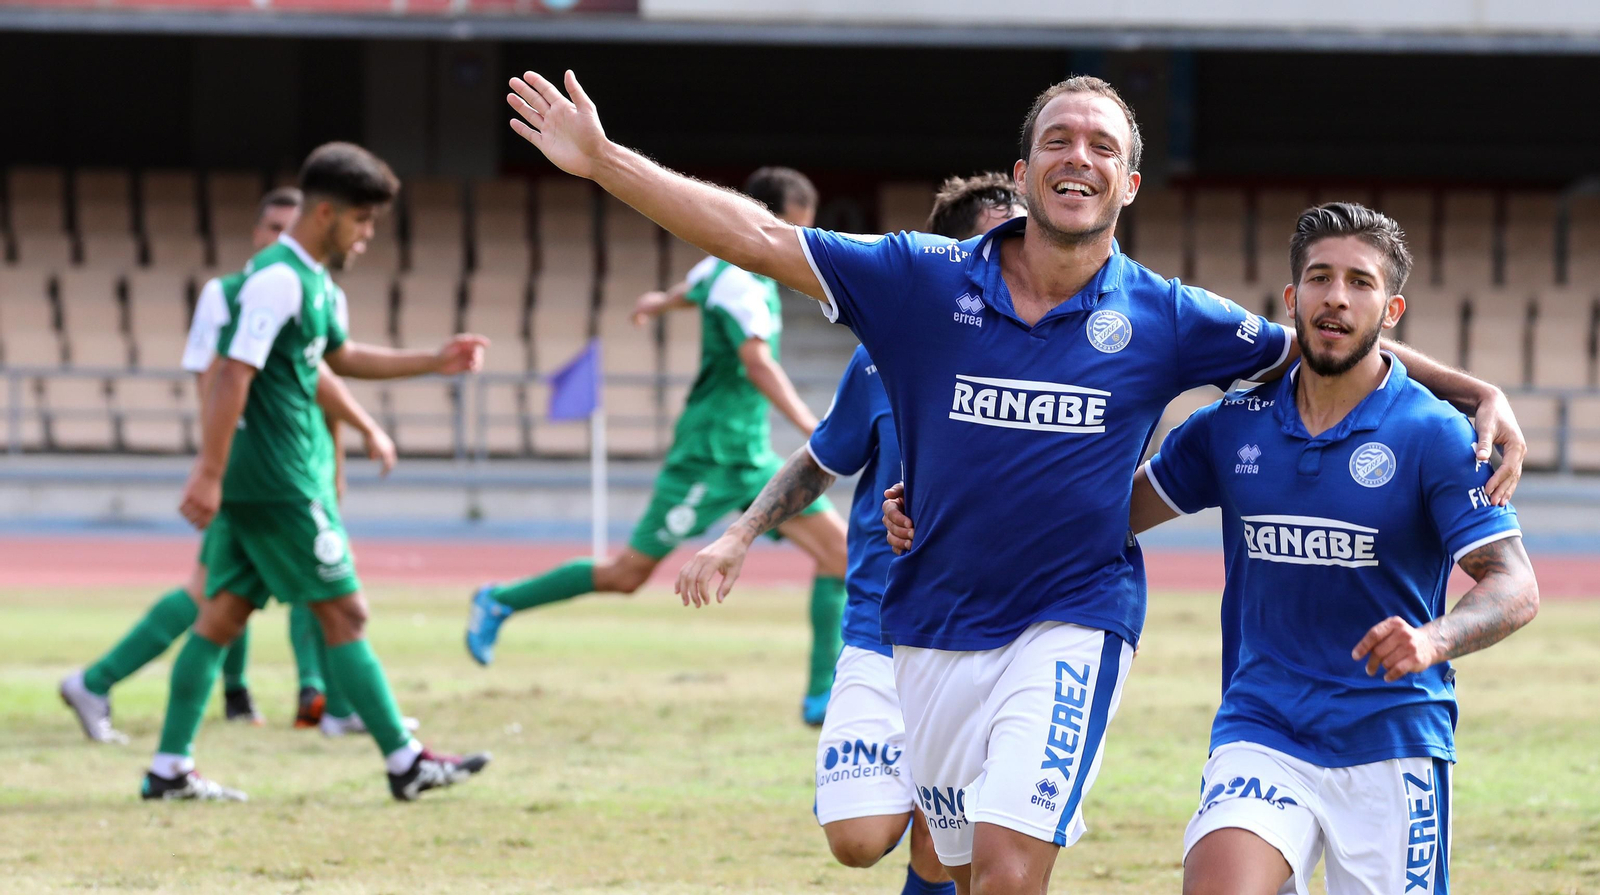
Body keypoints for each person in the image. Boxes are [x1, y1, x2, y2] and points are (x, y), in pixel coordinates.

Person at [503, 69, 1525, 893]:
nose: (1080, 155)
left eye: (1104, 146)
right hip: (931, 621)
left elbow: (1327, 337)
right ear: (1024, 169)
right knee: (950, 866)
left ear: (1129, 185)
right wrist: (603, 162)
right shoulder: (919, 278)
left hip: (1076, 618)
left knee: (1003, 869)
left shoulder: (1168, 317)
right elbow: (760, 239)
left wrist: (1475, 390)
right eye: (1059, 140)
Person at [883, 202, 1541, 894]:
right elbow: (1094, 517)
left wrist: (1434, 639)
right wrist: (942, 507)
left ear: (1392, 308)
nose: (1337, 298)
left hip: (1393, 739)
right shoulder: (1232, 426)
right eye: (1319, 278)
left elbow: (1514, 584)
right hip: (1262, 728)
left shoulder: (1436, 434)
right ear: (1292, 298)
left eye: (1360, 282)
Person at [675, 173, 1024, 895]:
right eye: (998, 245)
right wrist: (740, 534)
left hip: (984, 637)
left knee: (947, 842)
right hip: (880, 627)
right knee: (857, 839)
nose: (1017, 260)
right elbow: (819, 460)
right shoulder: (880, 360)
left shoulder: (1053, 369)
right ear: (951, 259)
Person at [147, 142, 491, 802]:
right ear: (326, 212)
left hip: (266, 480)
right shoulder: (276, 280)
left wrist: (434, 360)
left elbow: (340, 357)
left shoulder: (317, 287)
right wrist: (209, 470)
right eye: (361, 220)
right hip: (278, 481)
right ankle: (406, 761)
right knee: (347, 612)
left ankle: (168, 768)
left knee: (220, 616)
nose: (367, 235)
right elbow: (232, 375)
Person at [465, 167, 850, 725]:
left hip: (752, 458)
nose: (800, 245)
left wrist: (657, 303)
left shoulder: (722, 265)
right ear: (774, 219)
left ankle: (820, 698)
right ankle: (500, 599)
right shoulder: (745, 282)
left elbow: (689, 289)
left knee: (840, 556)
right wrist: (812, 424)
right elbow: (757, 362)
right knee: (627, 575)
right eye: (798, 229)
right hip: (708, 457)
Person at [58, 187, 396, 742]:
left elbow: (320, 379)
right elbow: (214, 381)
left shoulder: (325, 294)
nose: (283, 238)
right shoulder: (228, 293)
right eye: (274, 227)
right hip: (255, 473)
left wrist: (345, 448)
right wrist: (216, 467)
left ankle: (314, 703)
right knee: (223, 594)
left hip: (299, 467)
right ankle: (106, 684)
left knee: (257, 593)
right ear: (259, 233)